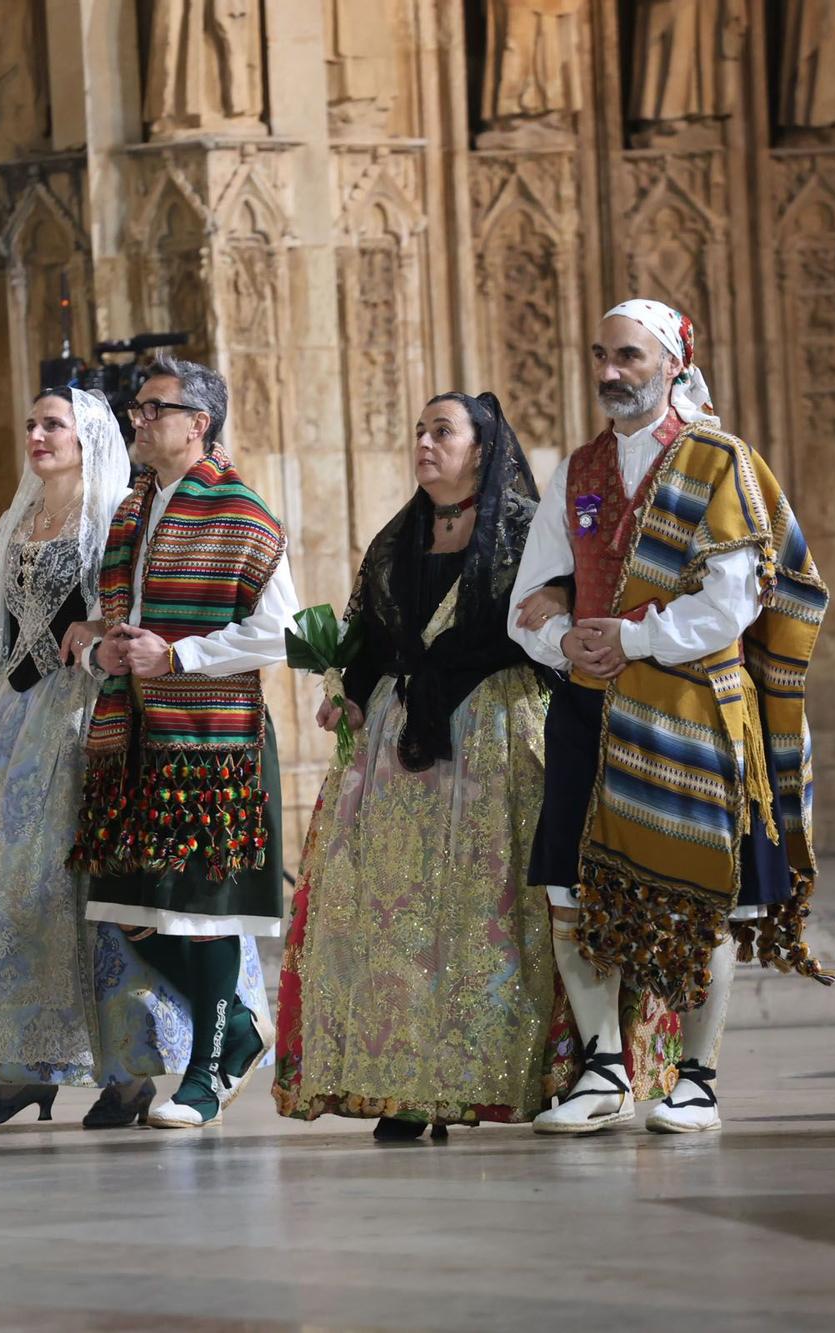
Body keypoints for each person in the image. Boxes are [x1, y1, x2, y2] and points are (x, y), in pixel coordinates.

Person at [0, 387, 270, 1127]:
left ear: (86, 435)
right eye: (30, 423)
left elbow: (132, 618)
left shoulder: (114, 514)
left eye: (52, 423)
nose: (36, 434)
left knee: (101, 904)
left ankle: (127, 1070)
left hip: (89, 715)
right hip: (14, 717)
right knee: (4, 899)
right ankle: (20, 1067)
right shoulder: (18, 520)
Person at [507, 298, 831, 1135]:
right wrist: (559, 639)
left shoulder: (719, 462)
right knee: (569, 887)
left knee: (702, 892)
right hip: (589, 707)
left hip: (688, 707)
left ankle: (697, 1078)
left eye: (630, 357)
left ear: (675, 366)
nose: (611, 371)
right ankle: (604, 1067)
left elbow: (734, 598)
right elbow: (534, 587)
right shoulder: (577, 469)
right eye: (602, 356)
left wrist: (632, 637)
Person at [275, 392, 567, 1140]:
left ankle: (487, 1076)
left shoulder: (524, 532)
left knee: (484, 915)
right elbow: (368, 633)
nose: (426, 443)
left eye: (444, 430)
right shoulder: (397, 537)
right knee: (397, 919)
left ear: (483, 445)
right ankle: (403, 1083)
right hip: (400, 751)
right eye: (420, 432)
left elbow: (552, 620)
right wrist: (344, 691)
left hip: (494, 736)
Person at [63, 354, 297, 1130]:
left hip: (209, 739)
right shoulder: (134, 509)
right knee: (129, 903)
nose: (138, 419)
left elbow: (281, 632)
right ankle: (234, 1025)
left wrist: (180, 655)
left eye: (154, 408)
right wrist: (101, 640)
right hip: (131, 731)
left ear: (198, 423)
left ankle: (207, 1071)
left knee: (201, 908)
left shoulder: (241, 513)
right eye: (137, 408)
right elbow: (126, 609)